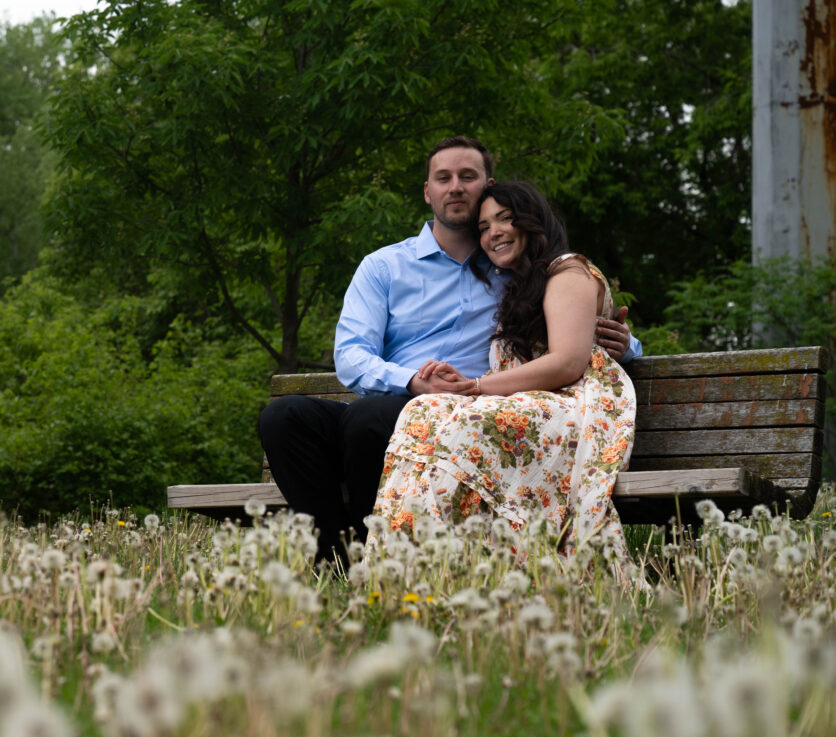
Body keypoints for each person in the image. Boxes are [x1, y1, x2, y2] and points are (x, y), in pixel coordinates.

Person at [256, 136, 637, 565]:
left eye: (467, 177)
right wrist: (411, 380)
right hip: (394, 400)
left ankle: (384, 562)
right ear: (427, 191)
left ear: (487, 187)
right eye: (443, 178)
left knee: (371, 419)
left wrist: (626, 344)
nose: (455, 186)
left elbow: (571, 319)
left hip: (461, 413)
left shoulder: (512, 263)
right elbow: (351, 355)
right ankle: (336, 555)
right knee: (284, 417)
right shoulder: (384, 266)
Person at [369, 181, 637, 563]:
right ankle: (413, 557)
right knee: (421, 411)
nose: (493, 232)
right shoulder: (518, 285)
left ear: (532, 223)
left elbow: (567, 362)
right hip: (533, 403)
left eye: (505, 219)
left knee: (458, 422)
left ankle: (439, 557)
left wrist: (475, 386)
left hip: (577, 407)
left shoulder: (568, 271)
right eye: (483, 226)